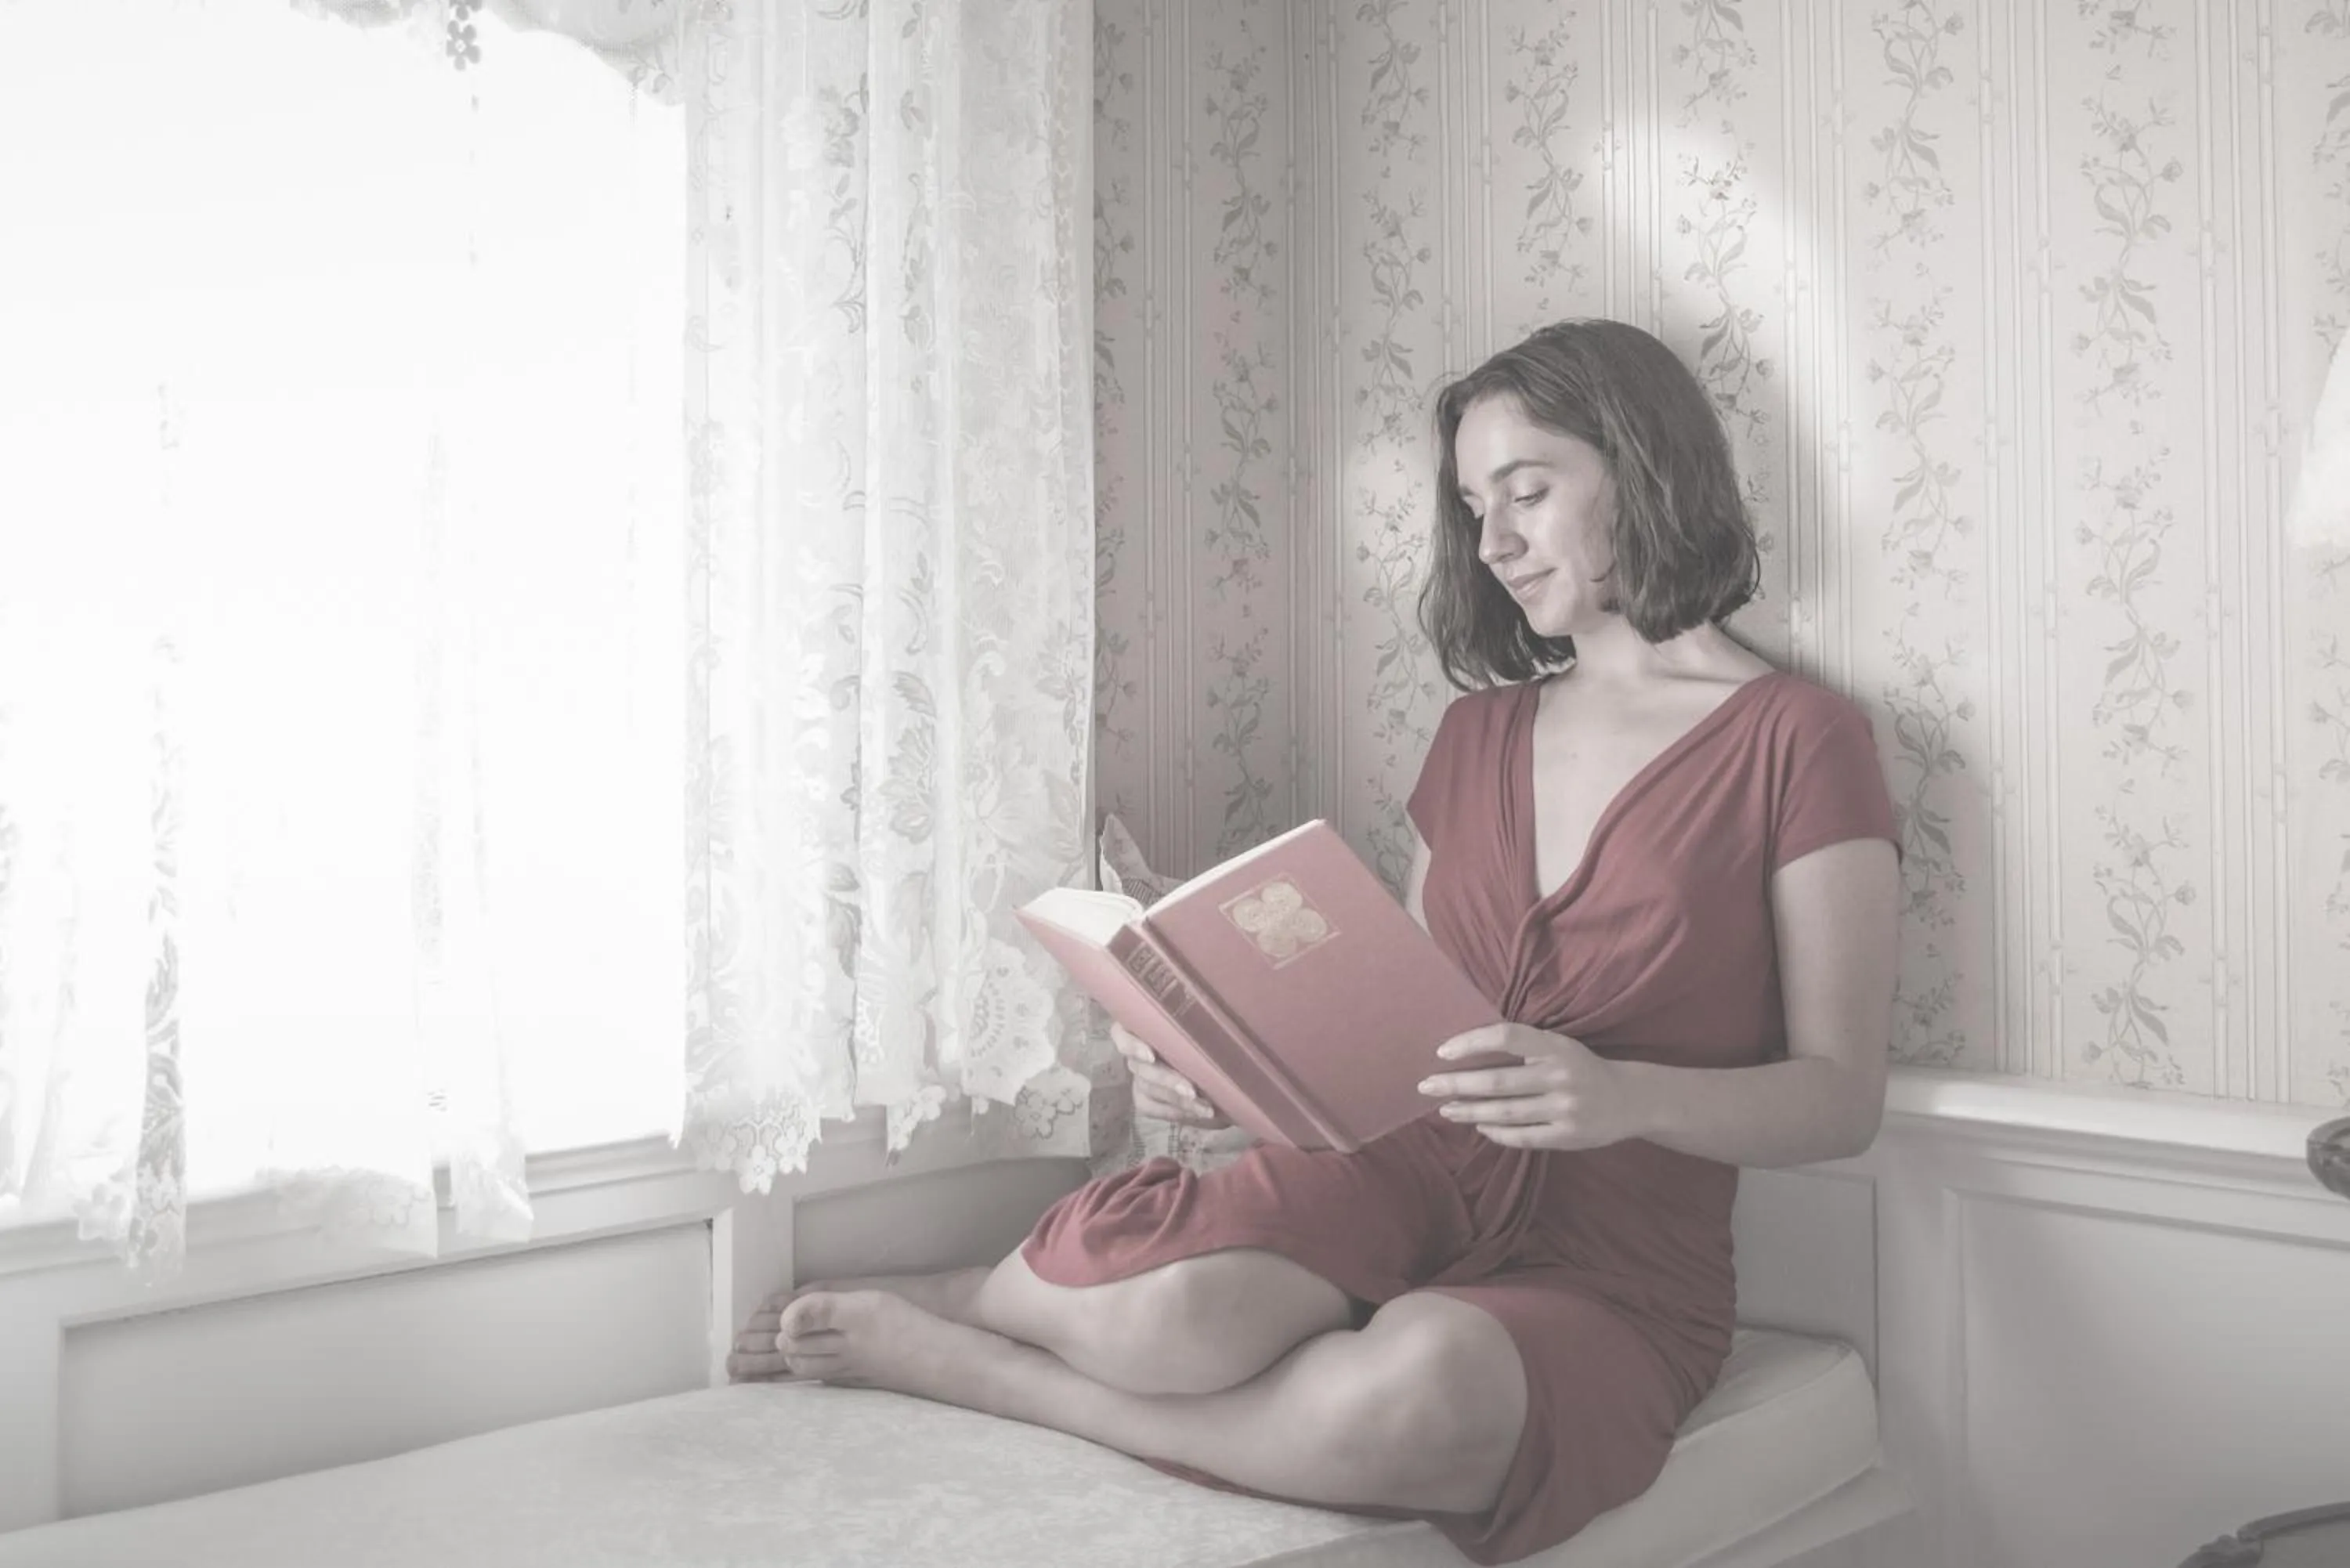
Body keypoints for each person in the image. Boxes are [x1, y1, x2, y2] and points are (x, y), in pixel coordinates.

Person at [725, 318, 1901, 1566]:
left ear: (1645, 468)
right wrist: (1216, 1064)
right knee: (1171, 1308)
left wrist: (1616, 1094)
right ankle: (971, 1293)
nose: (1493, 542)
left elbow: (1841, 1098)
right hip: (1399, 1176)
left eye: (1528, 492)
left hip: (1617, 1254)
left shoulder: (1799, 738)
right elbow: (1397, 1018)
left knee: (1407, 1397)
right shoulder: (1478, 738)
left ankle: (993, 1369)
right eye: (1471, 506)